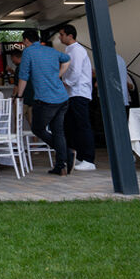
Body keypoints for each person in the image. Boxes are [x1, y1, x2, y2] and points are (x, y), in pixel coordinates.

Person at [15, 28, 72, 175]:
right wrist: (58, 75)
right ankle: (61, 165)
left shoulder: (28, 52)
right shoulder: (50, 50)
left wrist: (19, 96)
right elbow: (67, 59)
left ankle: (65, 153)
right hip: (62, 97)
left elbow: (23, 76)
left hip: (46, 99)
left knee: (37, 129)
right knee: (58, 131)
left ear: (26, 40)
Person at [57, 24, 96, 172]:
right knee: (72, 125)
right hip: (71, 93)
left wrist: (64, 82)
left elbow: (75, 72)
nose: (60, 37)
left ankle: (89, 159)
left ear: (70, 36)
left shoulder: (77, 50)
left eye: (62, 34)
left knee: (82, 125)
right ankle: (79, 155)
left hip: (79, 92)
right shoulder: (69, 50)